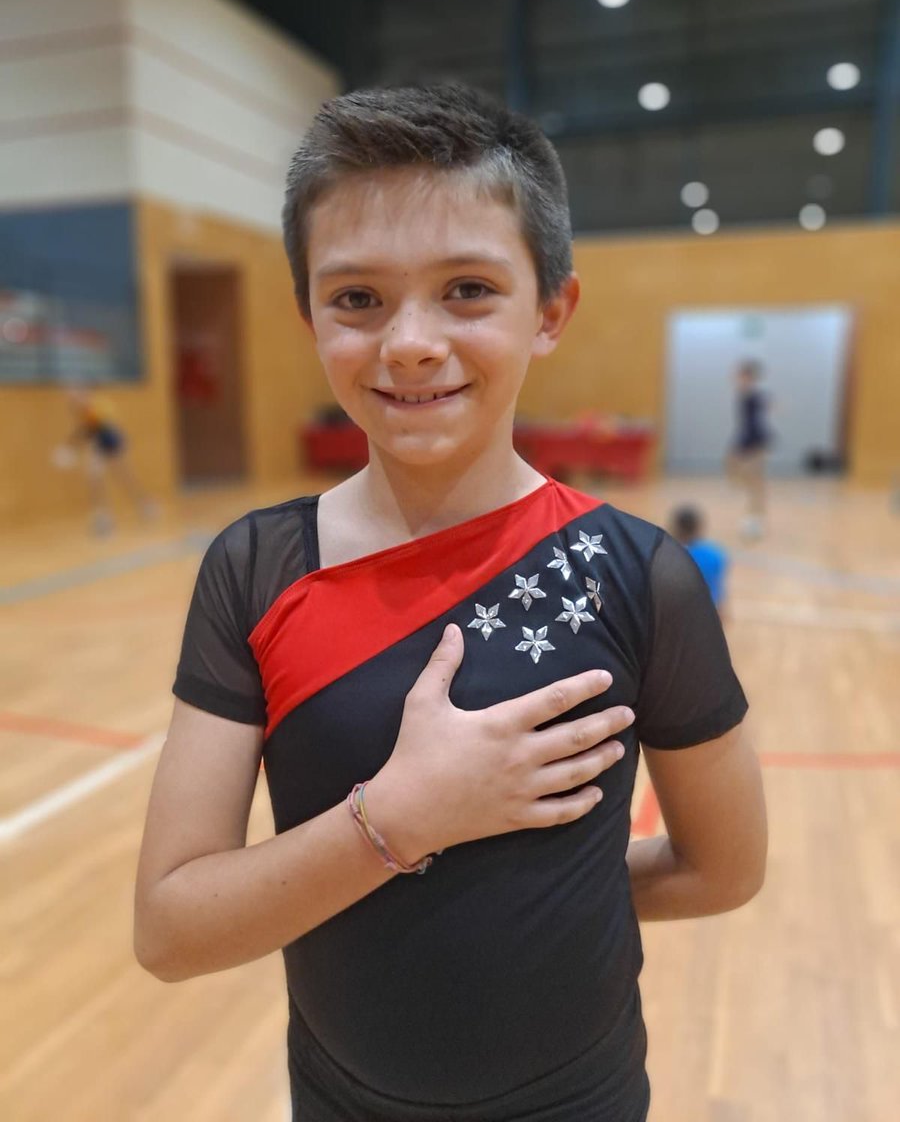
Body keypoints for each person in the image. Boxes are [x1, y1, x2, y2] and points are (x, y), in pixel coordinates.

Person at [134, 85, 767, 1122]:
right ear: (309, 319)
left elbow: (723, 869)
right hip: (339, 1100)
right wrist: (407, 820)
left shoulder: (639, 572)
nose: (411, 342)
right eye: (357, 300)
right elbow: (170, 931)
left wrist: (553, 899)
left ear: (551, 310)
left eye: (468, 289)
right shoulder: (254, 569)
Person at [60, 383, 158, 535]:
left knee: (124, 476)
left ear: (83, 393)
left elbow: (89, 430)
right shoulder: (80, 410)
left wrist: (69, 448)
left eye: (75, 394)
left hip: (112, 443)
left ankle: (145, 504)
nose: (72, 397)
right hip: (98, 446)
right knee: (94, 479)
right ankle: (102, 517)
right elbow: (88, 432)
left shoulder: (95, 406)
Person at [728, 359, 772, 541]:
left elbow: (755, 422)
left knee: (755, 481)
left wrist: (749, 445)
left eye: (741, 375)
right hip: (745, 440)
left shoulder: (753, 395)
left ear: (749, 377)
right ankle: (755, 516)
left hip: (755, 441)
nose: (737, 378)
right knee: (737, 473)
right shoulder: (744, 394)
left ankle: (755, 520)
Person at [670, 504, 729, 616]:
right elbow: (719, 589)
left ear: (677, 528)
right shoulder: (715, 553)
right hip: (709, 614)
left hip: (681, 615)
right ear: (698, 527)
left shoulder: (671, 556)